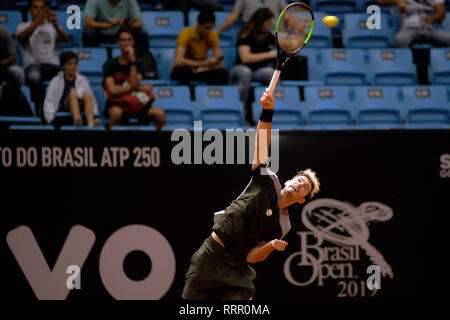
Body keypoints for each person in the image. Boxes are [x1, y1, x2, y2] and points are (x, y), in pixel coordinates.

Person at [182, 88, 320, 300]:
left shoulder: (283, 226)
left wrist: (271, 246)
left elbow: (253, 257)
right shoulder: (267, 180)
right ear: (288, 181)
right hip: (211, 252)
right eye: (299, 179)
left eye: (305, 188)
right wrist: (267, 112)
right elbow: (261, 145)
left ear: (302, 200)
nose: (300, 184)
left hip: (237, 265)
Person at [103, 26, 166, 130]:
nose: (126, 43)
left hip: (137, 103)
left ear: (133, 42)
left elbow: (134, 84)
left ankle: (154, 144)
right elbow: (113, 90)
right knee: (115, 113)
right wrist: (141, 88)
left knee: (160, 114)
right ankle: (111, 145)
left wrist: (132, 62)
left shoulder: (139, 64)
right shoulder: (110, 64)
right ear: (118, 42)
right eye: (123, 40)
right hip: (118, 104)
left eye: (129, 40)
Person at [16, 0, 69, 117]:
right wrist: (39, 20)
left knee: (69, 75)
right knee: (34, 77)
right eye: (36, 8)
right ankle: (40, 110)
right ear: (29, 10)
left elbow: (66, 40)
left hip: (53, 66)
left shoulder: (52, 27)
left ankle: (62, 111)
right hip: (33, 66)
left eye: (42, 8)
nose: (39, 11)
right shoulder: (22, 26)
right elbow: (22, 37)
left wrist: (55, 25)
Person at [229, 8, 277, 126]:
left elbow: (281, 47)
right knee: (246, 73)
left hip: (257, 71)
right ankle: (243, 115)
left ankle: (273, 113)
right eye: (268, 23)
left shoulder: (268, 35)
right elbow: (245, 58)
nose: (270, 25)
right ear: (260, 22)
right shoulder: (245, 34)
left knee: (271, 73)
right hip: (240, 69)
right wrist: (269, 54)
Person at [43, 51, 102, 127]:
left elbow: (91, 100)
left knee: (87, 94)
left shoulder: (82, 79)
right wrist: (50, 118)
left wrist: (95, 115)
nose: (73, 66)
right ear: (63, 66)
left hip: (81, 105)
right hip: (64, 107)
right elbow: (50, 100)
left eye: (75, 64)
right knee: (73, 94)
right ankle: (77, 119)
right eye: (70, 64)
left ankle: (90, 124)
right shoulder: (56, 80)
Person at [171, 10, 228, 85]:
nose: (208, 32)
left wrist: (204, 68)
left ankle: (212, 95)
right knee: (183, 72)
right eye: (206, 28)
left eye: (211, 28)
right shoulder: (185, 33)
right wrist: (204, 63)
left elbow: (219, 62)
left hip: (202, 69)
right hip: (187, 68)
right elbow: (178, 61)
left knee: (222, 73)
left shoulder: (213, 35)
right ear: (198, 24)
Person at [83, 0, 149, 53]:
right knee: (89, 32)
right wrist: (109, 25)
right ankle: (93, 60)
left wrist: (125, 24)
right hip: (101, 33)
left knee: (142, 34)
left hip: (122, 34)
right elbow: (87, 22)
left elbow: (139, 23)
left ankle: (142, 59)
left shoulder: (130, 1)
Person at [378, 0, 450, 47]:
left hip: (429, 28)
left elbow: (441, 12)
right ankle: (405, 69)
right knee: (400, 39)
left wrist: (432, 18)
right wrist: (398, 1)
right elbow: (381, 1)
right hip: (409, 29)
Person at [216, 0, 288, 34]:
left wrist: (299, 31)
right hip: (252, 33)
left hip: (274, 32)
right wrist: (217, 32)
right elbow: (234, 15)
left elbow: (288, 17)